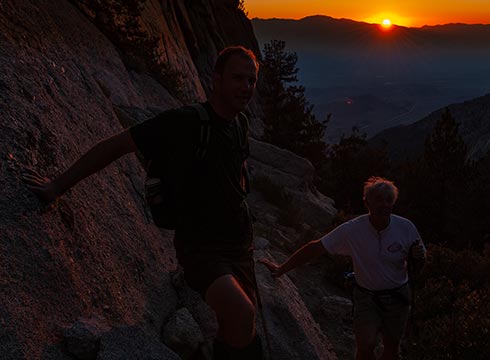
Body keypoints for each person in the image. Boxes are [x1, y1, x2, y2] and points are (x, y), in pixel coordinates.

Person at [22, 46, 263, 359]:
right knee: (242, 315)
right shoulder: (186, 121)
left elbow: (235, 174)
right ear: (216, 79)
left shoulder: (240, 124)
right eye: (238, 78)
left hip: (239, 245)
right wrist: (57, 185)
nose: (246, 87)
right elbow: (118, 145)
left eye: (252, 80)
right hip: (202, 249)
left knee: (237, 329)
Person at [260, 176, 427, 360]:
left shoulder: (406, 227)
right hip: (367, 297)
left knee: (392, 348)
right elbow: (316, 247)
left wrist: (419, 258)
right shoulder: (353, 229)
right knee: (366, 345)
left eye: (389, 200)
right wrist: (282, 268)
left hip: (397, 297)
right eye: (378, 199)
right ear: (367, 203)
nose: (384, 204)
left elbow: (418, 264)